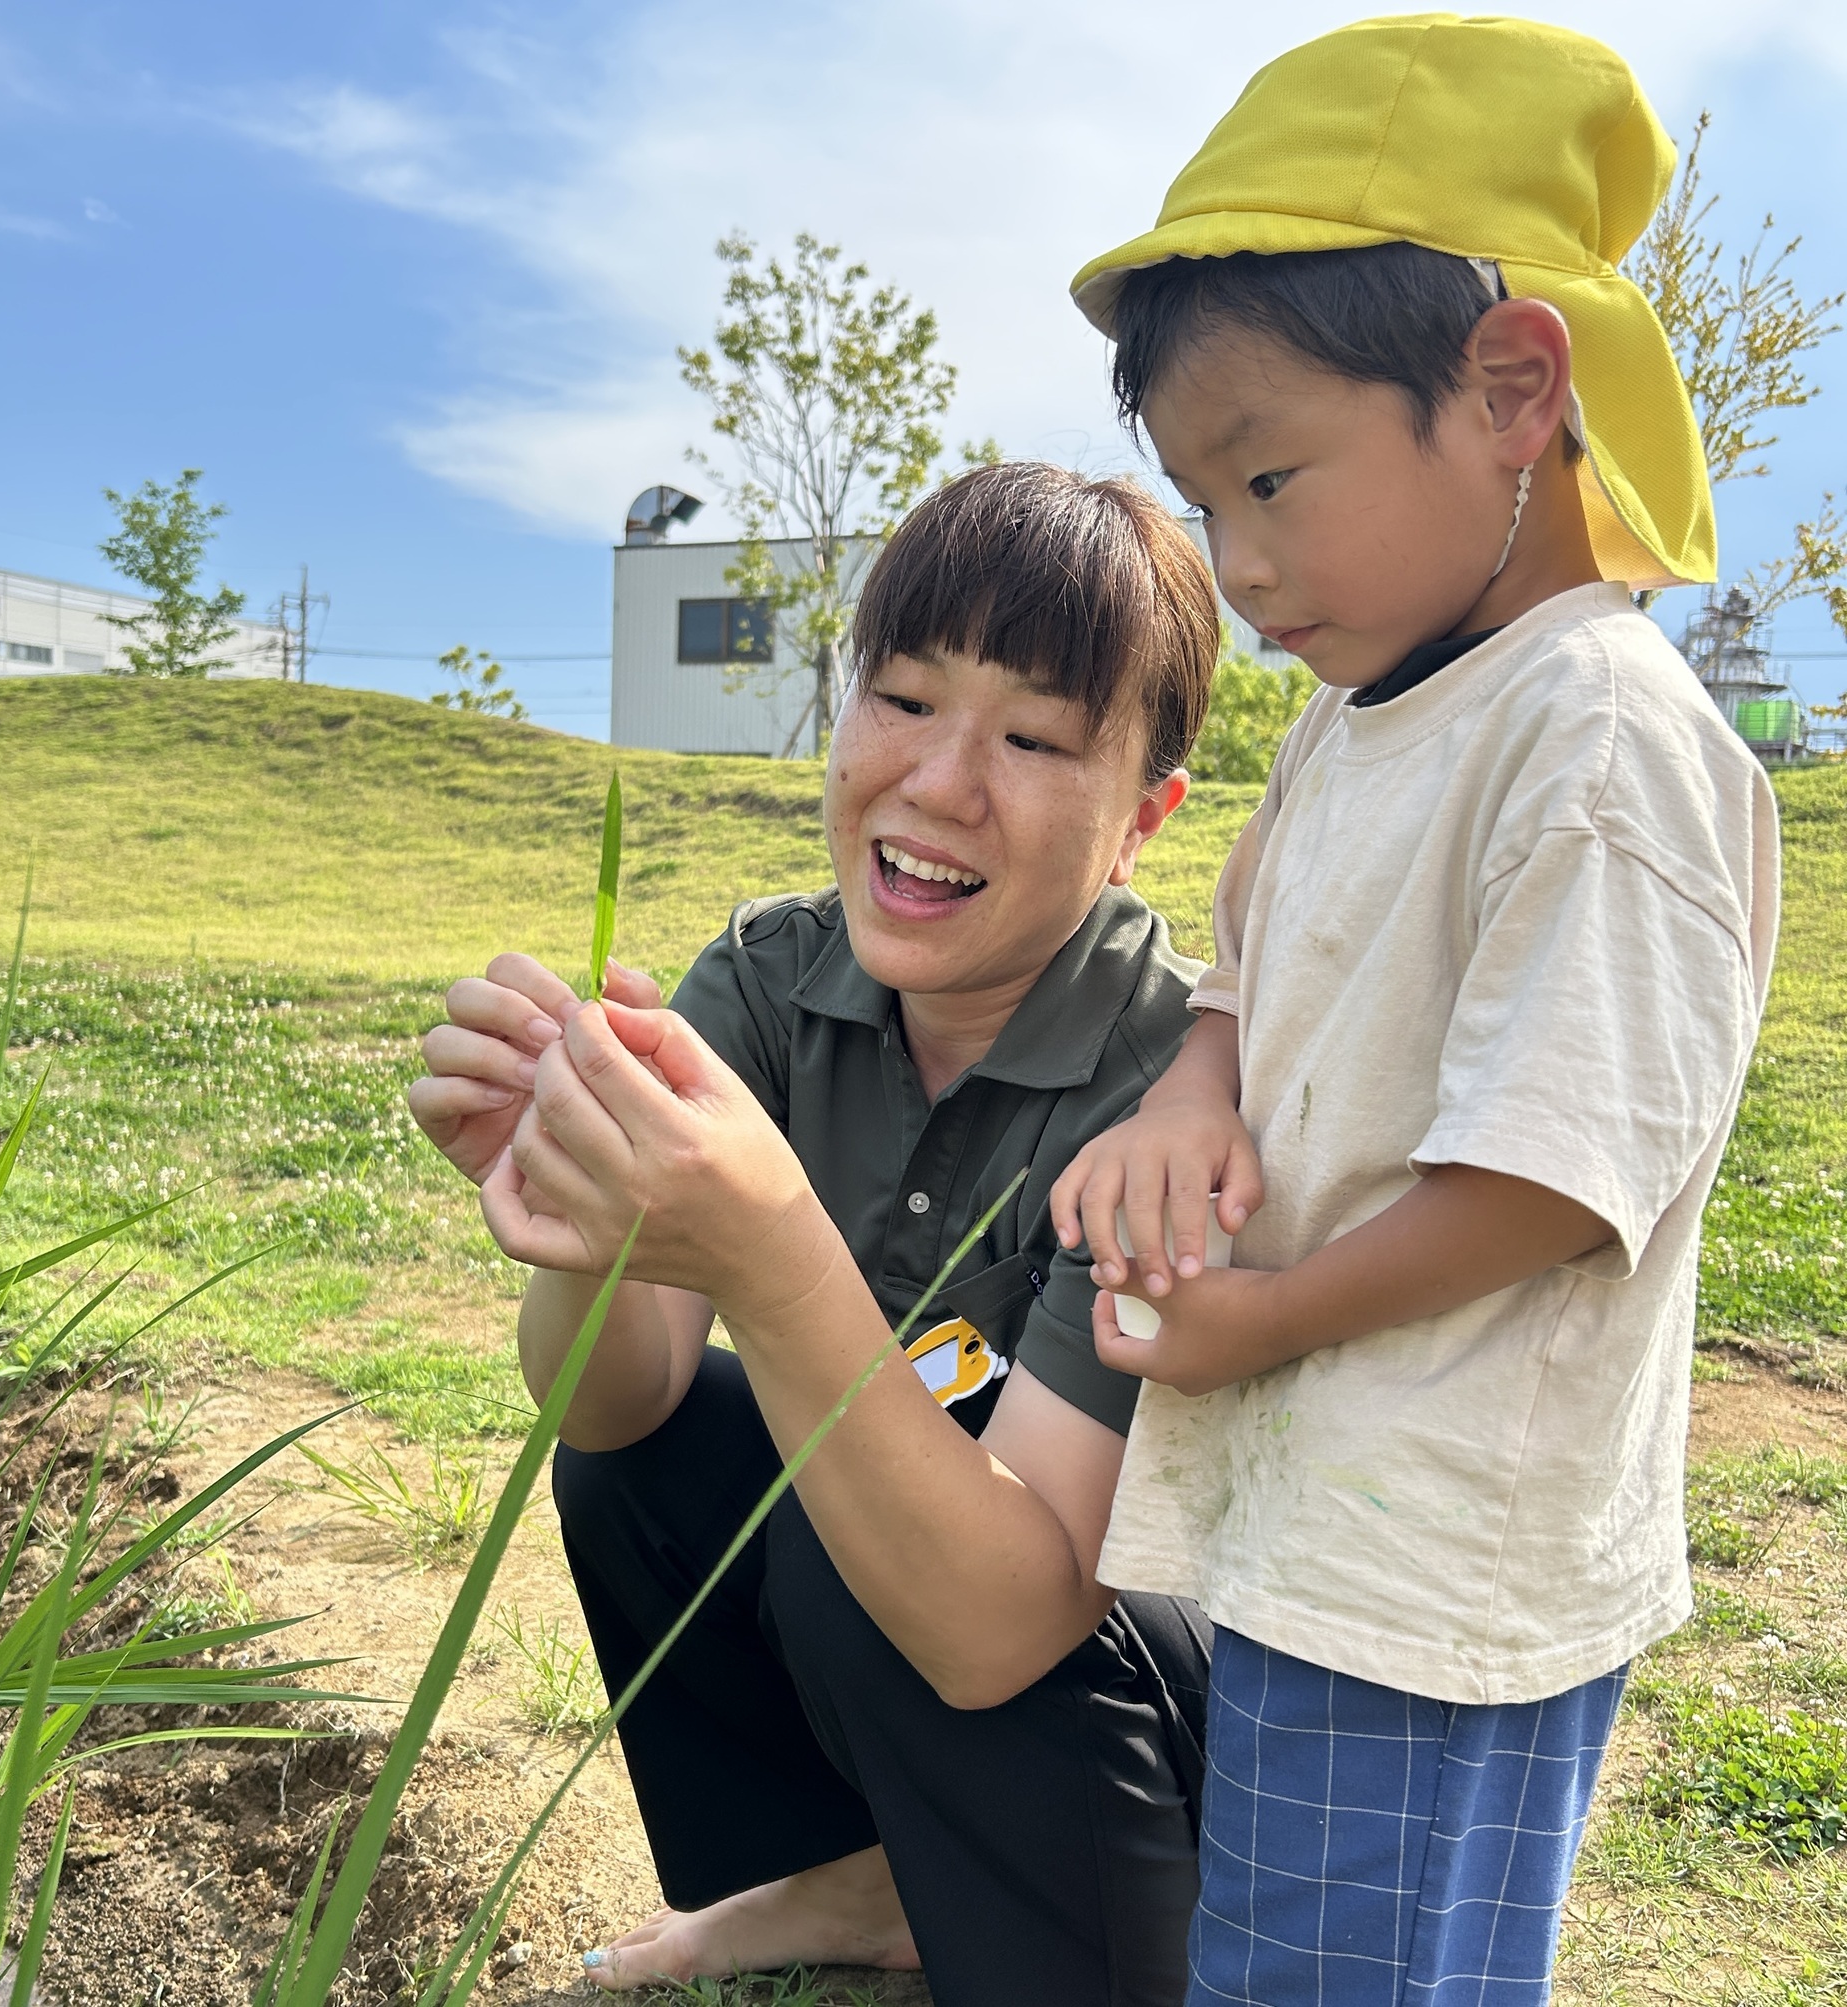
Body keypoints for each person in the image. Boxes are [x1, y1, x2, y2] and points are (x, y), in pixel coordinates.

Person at [1048, 17, 1781, 2003]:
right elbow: (1244, 979)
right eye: (1205, 499)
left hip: (1444, 1549)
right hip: (1331, 1515)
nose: (1242, 563)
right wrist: (1192, 1091)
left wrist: (1260, 1316)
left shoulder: (1597, 737)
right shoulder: (1358, 727)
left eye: (1271, 474)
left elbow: (1556, 1168)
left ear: (1512, 389)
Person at [409, 462, 1225, 2006]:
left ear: (1142, 820)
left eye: (1037, 737)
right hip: (941, 1595)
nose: (937, 782)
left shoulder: (1174, 1083)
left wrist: (770, 1253)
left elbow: (1006, 1619)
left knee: (880, 1482)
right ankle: (857, 1885)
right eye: (905, 699)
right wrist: (575, 1193)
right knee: (668, 1465)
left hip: (1155, 1677)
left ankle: (1067, 1923)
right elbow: (613, 1407)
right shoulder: (776, 978)